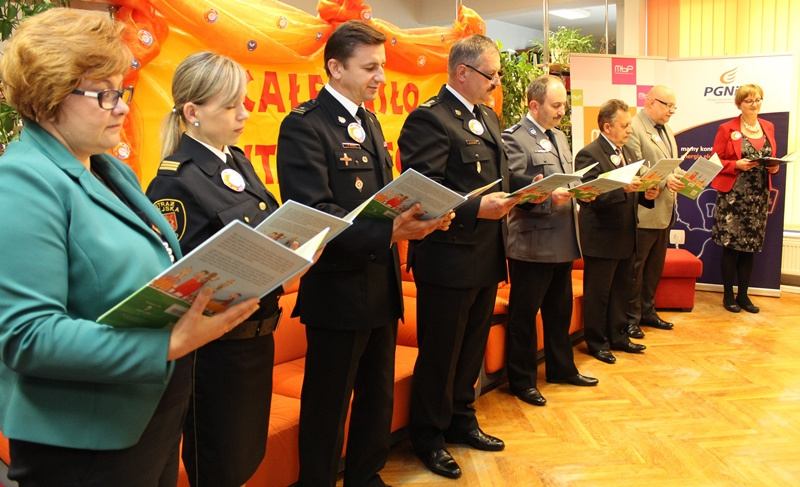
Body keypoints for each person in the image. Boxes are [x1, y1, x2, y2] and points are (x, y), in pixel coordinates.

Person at [0, 10, 258, 486]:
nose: (121, 108)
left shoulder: (107, 168)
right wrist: (166, 344)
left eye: (122, 92)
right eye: (105, 94)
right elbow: (28, 336)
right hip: (86, 443)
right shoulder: (22, 181)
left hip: (148, 417)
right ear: (49, 97)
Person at [276, 20, 451, 487]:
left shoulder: (369, 121)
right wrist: (392, 229)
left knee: (376, 398)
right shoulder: (304, 125)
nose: (381, 77)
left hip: (382, 285)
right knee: (328, 405)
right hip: (338, 291)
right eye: (370, 67)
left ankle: (366, 477)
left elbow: (380, 200)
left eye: (382, 66)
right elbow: (316, 213)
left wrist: (418, 212)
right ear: (335, 68)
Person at [145, 52, 294, 487]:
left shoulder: (237, 162)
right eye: (230, 106)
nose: (243, 114)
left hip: (256, 339)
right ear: (193, 112)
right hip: (214, 353)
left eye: (243, 103)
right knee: (219, 467)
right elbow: (182, 275)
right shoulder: (175, 181)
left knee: (243, 460)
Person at [398, 34, 525, 479]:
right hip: (447, 257)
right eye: (492, 74)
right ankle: (428, 437)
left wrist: (524, 194)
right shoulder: (429, 119)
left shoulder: (486, 115)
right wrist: (475, 208)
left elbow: (497, 177)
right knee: (441, 353)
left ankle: (461, 419)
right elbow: (422, 189)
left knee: (470, 349)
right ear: (462, 72)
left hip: (486, 254)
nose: (497, 83)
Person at [502, 75, 598, 408]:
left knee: (559, 312)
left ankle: (561, 369)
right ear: (534, 105)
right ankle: (522, 381)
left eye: (563, 105)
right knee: (524, 317)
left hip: (563, 238)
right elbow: (515, 189)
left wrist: (582, 192)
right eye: (556, 106)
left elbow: (565, 181)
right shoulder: (514, 138)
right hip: (533, 242)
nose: (561, 112)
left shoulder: (558, 135)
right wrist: (545, 197)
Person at [574, 99, 658, 365]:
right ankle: (597, 342)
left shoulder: (629, 152)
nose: (629, 130)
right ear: (607, 127)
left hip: (626, 234)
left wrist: (646, 194)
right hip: (601, 236)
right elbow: (588, 196)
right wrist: (621, 188)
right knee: (599, 294)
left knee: (622, 290)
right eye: (624, 126)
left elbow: (632, 192)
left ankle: (619, 336)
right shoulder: (589, 154)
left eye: (630, 125)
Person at [710, 84, 780, 313]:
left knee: (749, 247)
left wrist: (774, 168)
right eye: (749, 100)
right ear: (739, 103)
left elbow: (771, 157)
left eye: (758, 99)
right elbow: (714, 161)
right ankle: (728, 296)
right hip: (733, 197)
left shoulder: (768, 126)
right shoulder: (727, 128)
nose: (754, 104)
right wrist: (735, 165)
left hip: (758, 196)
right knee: (732, 248)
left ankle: (744, 296)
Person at [625, 85, 685, 338]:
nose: (671, 111)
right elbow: (635, 168)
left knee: (654, 268)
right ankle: (631, 318)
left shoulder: (666, 129)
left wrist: (685, 177)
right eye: (667, 105)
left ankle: (648, 311)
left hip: (665, 211)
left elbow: (671, 166)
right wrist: (664, 181)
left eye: (674, 107)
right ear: (650, 102)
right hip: (644, 211)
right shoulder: (633, 127)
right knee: (635, 271)